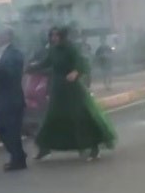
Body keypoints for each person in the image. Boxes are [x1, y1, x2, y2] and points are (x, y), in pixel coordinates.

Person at [33, 27, 116, 161]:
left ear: (62, 36)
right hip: (58, 89)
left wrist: (76, 72)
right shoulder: (53, 50)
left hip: (72, 89)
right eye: (52, 35)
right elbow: (46, 63)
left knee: (82, 117)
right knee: (52, 118)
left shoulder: (71, 49)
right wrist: (31, 67)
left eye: (56, 35)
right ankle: (45, 148)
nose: (53, 38)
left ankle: (94, 148)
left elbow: (81, 63)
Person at [0, 28, 27, 172]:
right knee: (0, 127)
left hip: (11, 98)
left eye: (0, 33)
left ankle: (18, 158)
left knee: (10, 130)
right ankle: (18, 156)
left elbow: (12, 74)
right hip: (1, 99)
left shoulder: (15, 53)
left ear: (8, 36)